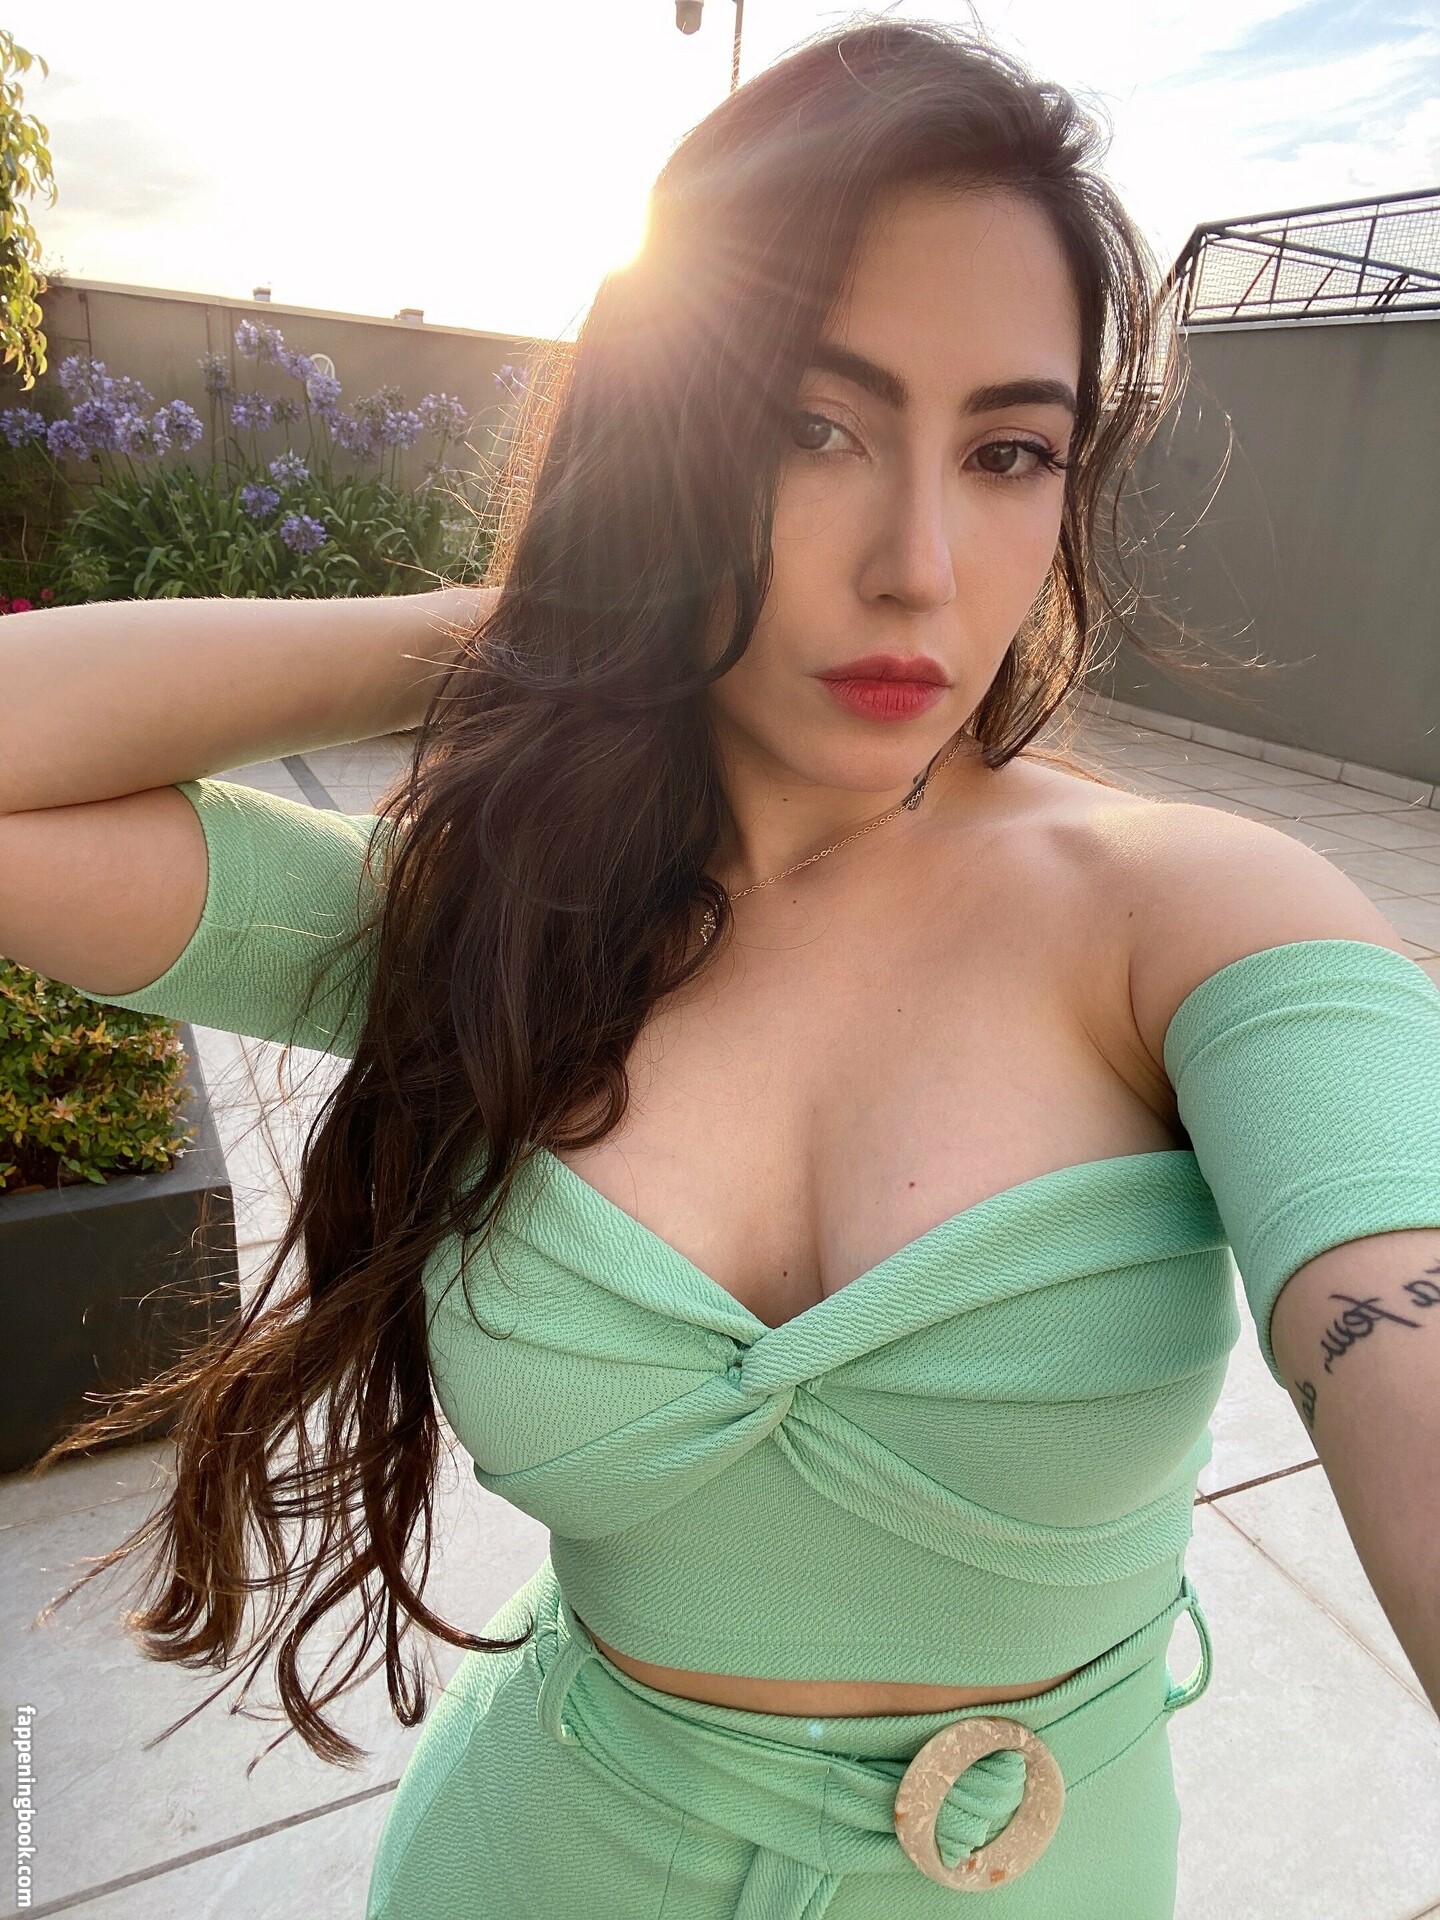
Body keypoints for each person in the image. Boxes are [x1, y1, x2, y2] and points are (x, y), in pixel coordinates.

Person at [3, 20, 1438, 1919]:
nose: (920, 564)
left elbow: (1397, 1303)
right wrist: (541, 619)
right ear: (665, 449)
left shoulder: (1196, 919)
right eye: (810, 427)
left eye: (1008, 451)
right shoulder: (485, 919)